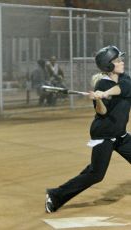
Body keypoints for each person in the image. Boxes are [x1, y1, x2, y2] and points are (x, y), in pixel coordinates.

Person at [45, 45, 131, 213]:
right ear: (108, 65)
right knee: (96, 174)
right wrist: (98, 98)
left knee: (94, 169)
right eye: (118, 60)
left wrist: (106, 93)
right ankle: (55, 195)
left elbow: (122, 89)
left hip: (120, 134)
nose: (122, 62)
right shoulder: (101, 84)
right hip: (103, 135)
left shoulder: (125, 79)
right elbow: (102, 111)